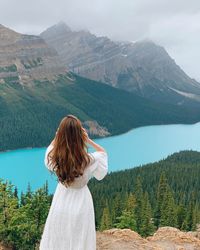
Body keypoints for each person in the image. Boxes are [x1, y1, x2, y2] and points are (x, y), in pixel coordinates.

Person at [39, 114, 108, 250]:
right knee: (80, 235)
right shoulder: (89, 160)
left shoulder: (55, 158)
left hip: (61, 198)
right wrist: (88, 140)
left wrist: (57, 136)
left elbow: (49, 150)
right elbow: (103, 154)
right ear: (79, 135)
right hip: (81, 200)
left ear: (61, 134)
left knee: (59, 232)